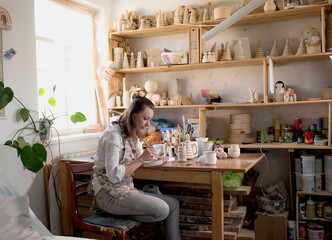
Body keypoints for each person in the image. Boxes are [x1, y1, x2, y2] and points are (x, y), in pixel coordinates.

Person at [91, 95, 180, 240]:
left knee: (173, 205)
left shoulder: (134, 135)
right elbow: (113, 176)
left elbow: (137, 160)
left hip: (125, 189)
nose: (147, 123)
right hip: (108, 194)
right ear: (133, 115)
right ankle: (131, 210)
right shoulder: (113, 135)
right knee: (162, 209)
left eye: (149, 119)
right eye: (145, 118)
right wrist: (142, 158)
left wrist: (156, 160)